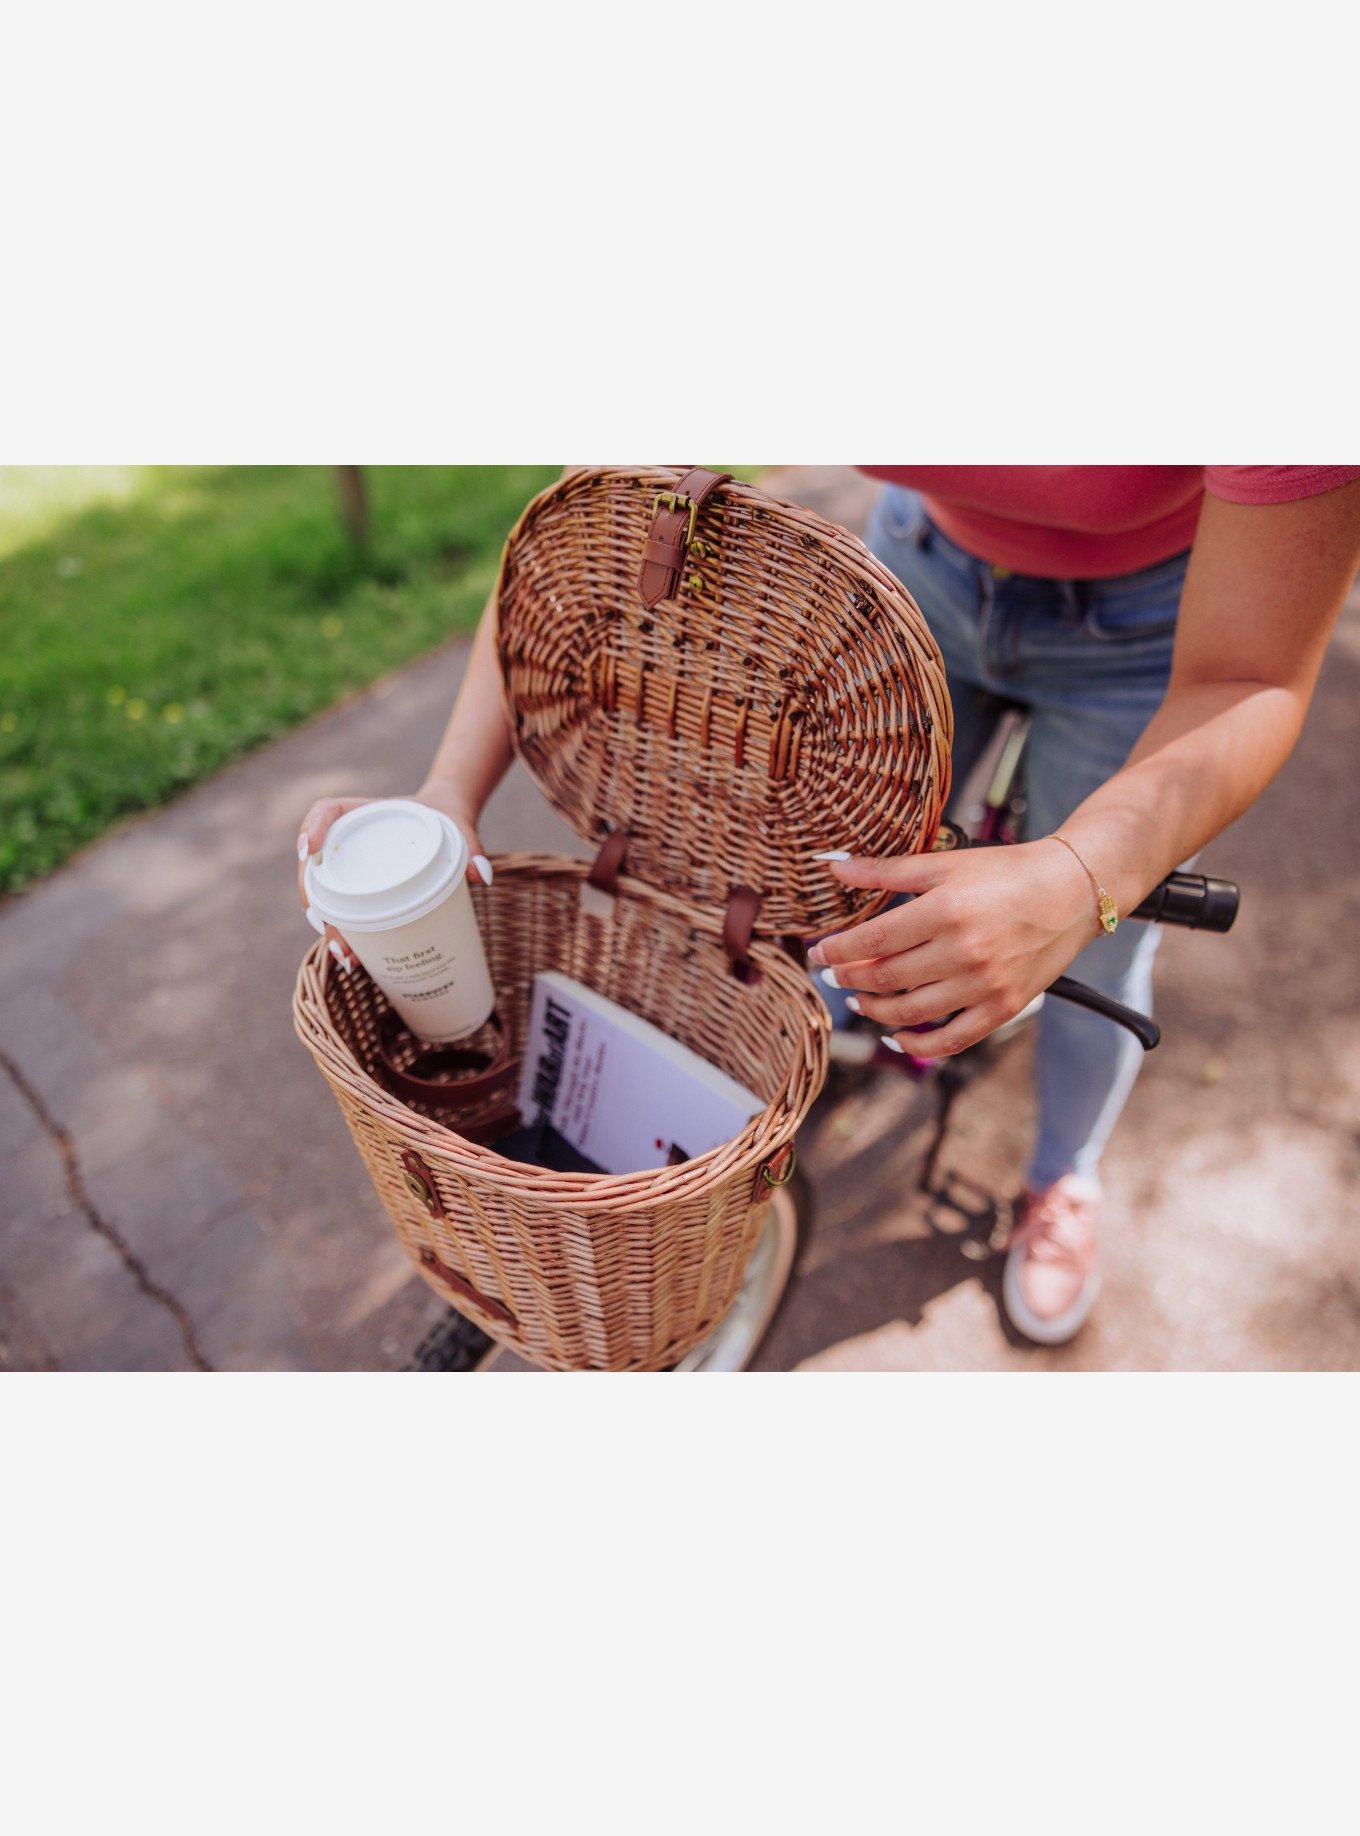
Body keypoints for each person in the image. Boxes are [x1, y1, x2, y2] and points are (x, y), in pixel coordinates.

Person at [297, 465, 1360, 1348]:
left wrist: (1083, 880)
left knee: (1093, 957)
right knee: (819, 895)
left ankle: (1061, 1181)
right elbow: (602, 516)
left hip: (1155, 628)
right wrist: (448, 794)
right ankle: (840, 1030)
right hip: (906, 583)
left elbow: (1249, 678)